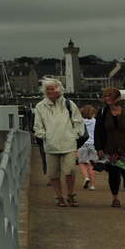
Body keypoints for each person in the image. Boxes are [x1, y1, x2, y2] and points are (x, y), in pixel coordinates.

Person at [32, 78, 85, 207]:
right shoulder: (40, 106)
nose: (50, 91)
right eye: (48, 89)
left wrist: (75, 134)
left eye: (52, 89)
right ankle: (60, 197)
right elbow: (38, 126)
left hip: (69, 143)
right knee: (53, 173)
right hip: (50, 145)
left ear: (59, 90)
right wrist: (46, 136)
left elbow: (78, 121)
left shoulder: (69, 104)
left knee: (70, 169)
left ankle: (70, 195)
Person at [94, 87, 125, 210]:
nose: (107, 98)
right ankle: (115, 198)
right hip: (110, 148)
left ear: (118, 98)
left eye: (110, 96)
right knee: (113, 175)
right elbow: (98, 131)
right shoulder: (103, 113)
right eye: (106, 96)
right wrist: (99, 147)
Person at [77, 103, 99, 190]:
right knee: (92, 164)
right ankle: (92, 185)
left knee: (83, 162)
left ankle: (86, 178)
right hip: (93, 144)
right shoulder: (96, 122)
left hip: (83, 143)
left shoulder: (80, 121)